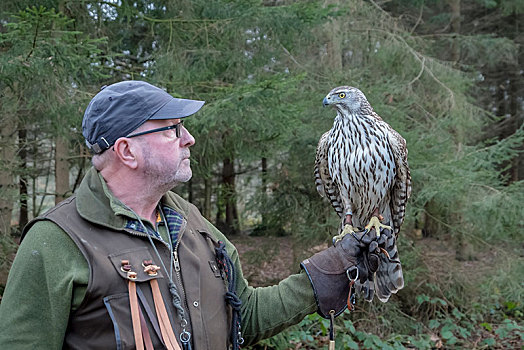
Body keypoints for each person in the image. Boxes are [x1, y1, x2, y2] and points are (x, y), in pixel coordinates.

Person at [0, 81, 375, 349]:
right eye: (172, 129)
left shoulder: (190, 222)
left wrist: (328, 272)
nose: (188, 137)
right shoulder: (56, 242)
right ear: (127, 152)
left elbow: (244, 315)